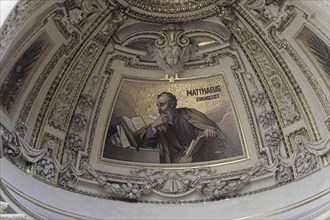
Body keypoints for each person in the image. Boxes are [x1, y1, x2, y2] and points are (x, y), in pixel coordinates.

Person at [136, 92, 227, 163]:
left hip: (199, 153)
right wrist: (154, 125)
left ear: (172, 104)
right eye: (158, 106)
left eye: (162, 105)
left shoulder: (189, 114)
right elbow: (146, 142)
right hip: (178, 160)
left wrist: (207, 133)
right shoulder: (160, 126)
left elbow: (203, 130)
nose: (159, 109)